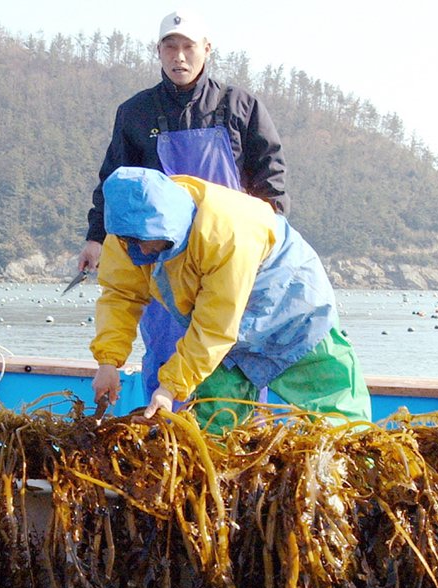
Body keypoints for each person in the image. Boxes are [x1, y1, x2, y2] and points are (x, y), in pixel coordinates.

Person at [80, 10, 289, 400]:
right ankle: (162, 430)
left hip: (228, 258)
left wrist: (265, 243)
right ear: (157, 51)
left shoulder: (240, 106)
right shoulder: (135, 112)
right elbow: (114, 182)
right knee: (163, 355)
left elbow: (271, 178)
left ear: (206, 50)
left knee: (232, 360)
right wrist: (96, 237)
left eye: (188, 47)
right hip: (163, 266)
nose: (179, 57)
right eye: (170, 47)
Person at [90, 167, 371, 434]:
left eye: (153, 241)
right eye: (134, 241)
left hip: (292, 298)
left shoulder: (224, 231)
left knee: (336, 409)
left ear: (173, 223)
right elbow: (120, 295)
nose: (143, 248)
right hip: (223, 315)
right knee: (214, 417)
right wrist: (108, 362)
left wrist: (169, 388)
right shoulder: (126, 236)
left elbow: (215, 327)